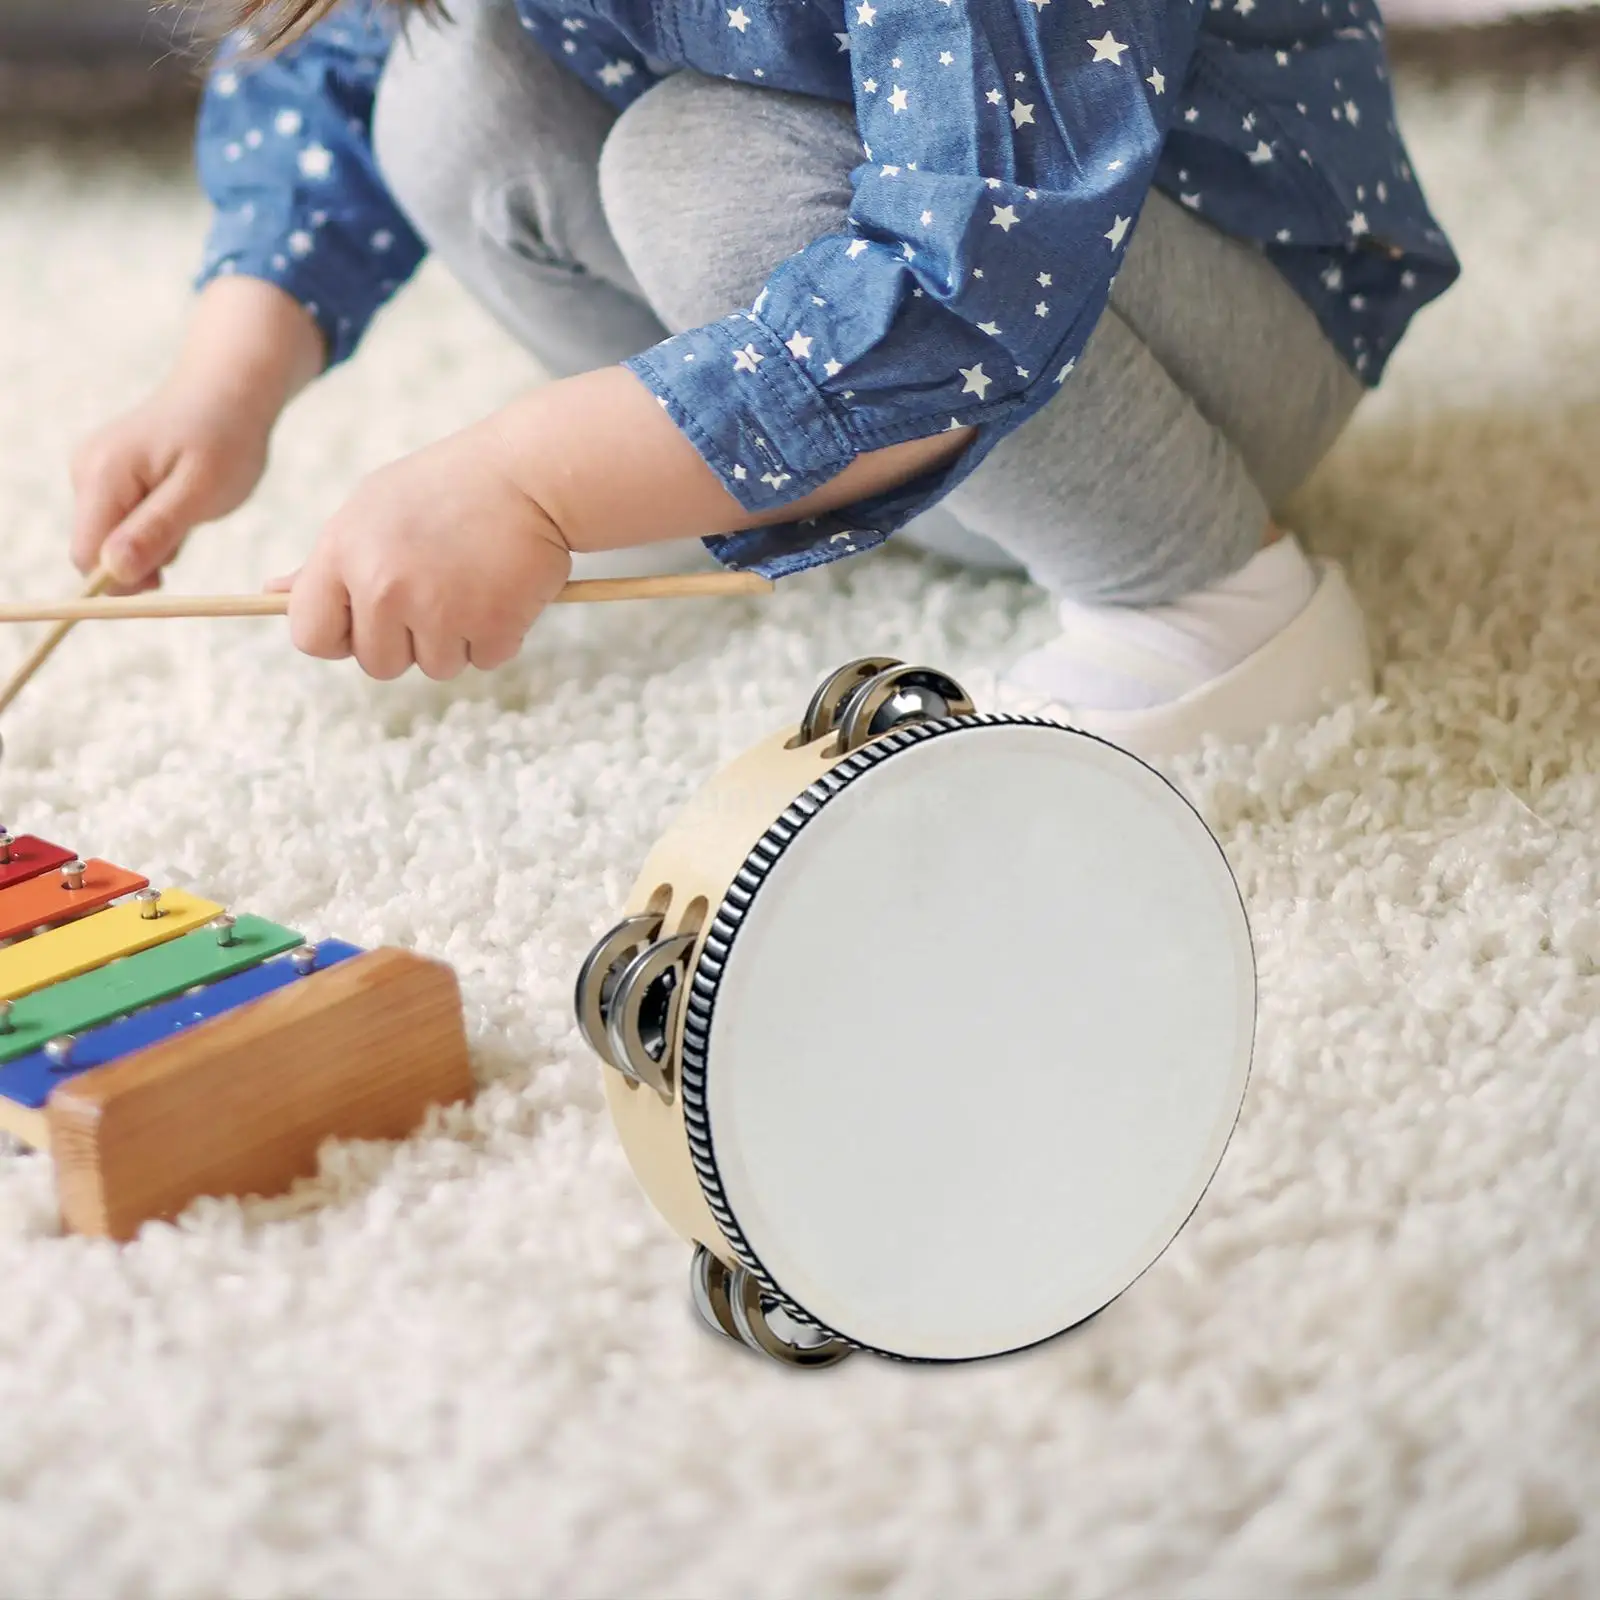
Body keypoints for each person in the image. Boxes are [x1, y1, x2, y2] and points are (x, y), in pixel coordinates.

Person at [68, 0, 1458, 762]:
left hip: (1202, 323)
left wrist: (527, 480)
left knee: (701, 167)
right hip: (940, 328)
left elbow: (972, 265)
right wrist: (225, 381)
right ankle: (757, 466)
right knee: (451, 81)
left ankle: (1208, 587)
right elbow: (330, 54)